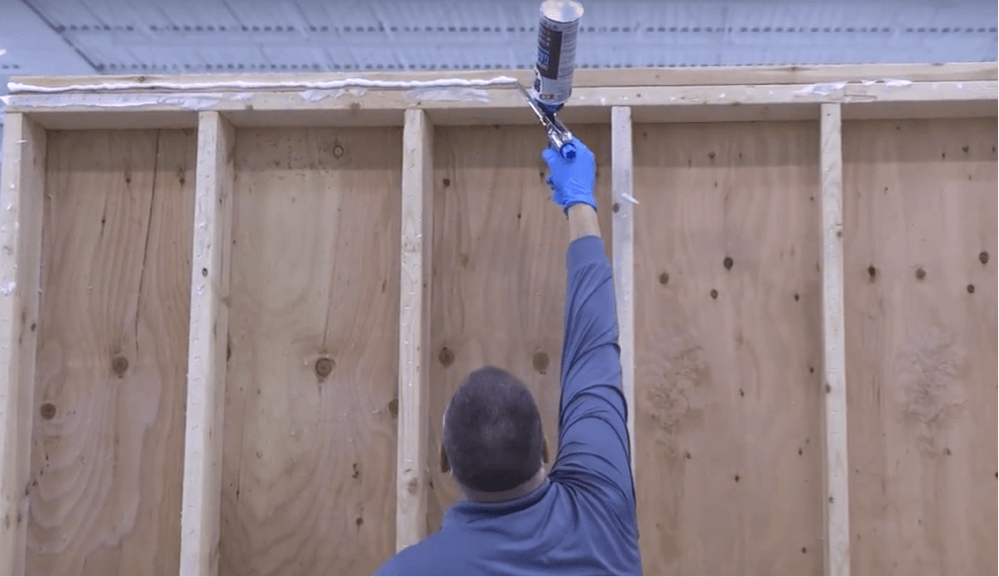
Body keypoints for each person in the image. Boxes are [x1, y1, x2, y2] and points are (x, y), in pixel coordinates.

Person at [374, 137, 641, 576]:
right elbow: (594, 354)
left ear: (444, 459)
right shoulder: (600, 509)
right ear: (544, 448)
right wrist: (580, 202)